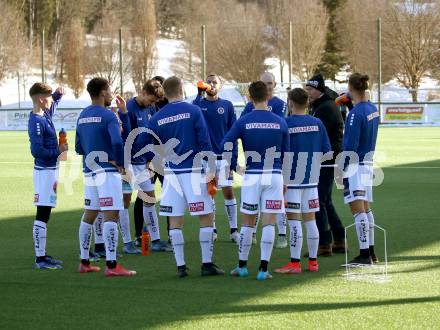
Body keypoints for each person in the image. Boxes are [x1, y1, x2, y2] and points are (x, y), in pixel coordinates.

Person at [147, 76, 225, 278]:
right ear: (182, 89)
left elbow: (151, 146)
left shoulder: (157, 118)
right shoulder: (194, 111)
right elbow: (204, 142)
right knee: (206, 217)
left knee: (175, 220)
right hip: (193, 172)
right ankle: (207, 264)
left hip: (172, 174)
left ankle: (181, 266)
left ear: (164, 92)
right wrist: (212, 169)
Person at [222, 81, 289, 281]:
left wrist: (234, 164)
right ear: (268, 96)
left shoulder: (244, 120)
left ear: (250, 98)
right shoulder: (280, 121)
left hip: (252, 175)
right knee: (269, 223)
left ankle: (242, 266)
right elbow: (287, 153)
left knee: (248, 223)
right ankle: (263, 269)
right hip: (275, 175)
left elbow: (225, 142)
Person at [75, 77, 135, 276]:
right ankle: (111, 265)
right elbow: (118, 142)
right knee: (112, 214)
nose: (111, 93)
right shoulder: (108, 115)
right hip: (107, 173)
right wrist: (119, 163)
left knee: (90, 214)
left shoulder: (82, 115)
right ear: (102, 93)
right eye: (109, 90)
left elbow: (78, 148)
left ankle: (84, 261)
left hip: (89, 171)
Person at [275, 88, 331, 274]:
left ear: (290, 102)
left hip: (291, 181)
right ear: (307, 103)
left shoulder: (284, 123)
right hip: (312, 180)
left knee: (294, 222)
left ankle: (295, 263)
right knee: (310, 221)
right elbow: (326, 151)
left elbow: (279, 153)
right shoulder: (317, 123)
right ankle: (313, 263)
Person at [241, 71, 288, 249]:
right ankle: (252, 233)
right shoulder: (249, 106)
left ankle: (282, 234)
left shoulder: (280, 105)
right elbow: (243, 125)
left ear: (274, 84)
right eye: (264, 83)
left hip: (275, 162)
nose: (267, 87)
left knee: (275, 202)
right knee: (254, 201)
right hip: (254, 161)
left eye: (270, 83)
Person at [126, 80, 172, 252]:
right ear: (143, 92)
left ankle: (156, 239)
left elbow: (152, 135)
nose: (152, 105)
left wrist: (151, 158)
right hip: (129, 163)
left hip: (145, 162)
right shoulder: (129, 109)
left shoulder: (151, 108)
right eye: (151, 100)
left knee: (150, 198)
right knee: (123, 202)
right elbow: (126, 140)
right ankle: (128, 243)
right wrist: (125, 164)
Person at [193, 73, 239, 243]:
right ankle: (212, 229)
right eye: (209, 81)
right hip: (206, 158)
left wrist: (233, 159)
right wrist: (199, 93)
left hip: (224, 157)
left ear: (221, 86)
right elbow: (193, 111)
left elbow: (234, 133)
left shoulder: (227, 105)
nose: (211, 84)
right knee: (209, 193)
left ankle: (234, 230)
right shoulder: (199, 105)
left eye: (215, 82)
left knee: (228, 191)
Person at [28, 83, 67, 270]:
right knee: (42, 212)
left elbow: (53, 105)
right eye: (49, 97)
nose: (51, 100)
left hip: (51, 171)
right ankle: (40, 259)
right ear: (42, 99)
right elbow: (37, 151)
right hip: (44, 172)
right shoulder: (36, 120)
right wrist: (57, 151)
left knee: (46, 212)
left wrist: (58, 95)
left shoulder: (45, 114)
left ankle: (42, 255)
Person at [305, 74, 345, 256]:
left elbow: (319, 136)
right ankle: (339, 238)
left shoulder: (325, 108)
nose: (308, 92)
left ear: (318, 90)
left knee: (319, 200)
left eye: (310, 89)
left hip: (326, 160)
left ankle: (324, 243)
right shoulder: (323, 105)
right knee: (325, 200)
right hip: (329, 158)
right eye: (307, 89)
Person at [343, 73, 379, 264]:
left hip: (355, 166)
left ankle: (365, 254)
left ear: (350, 88)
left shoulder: (355, 114)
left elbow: (350, 146)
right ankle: (370, 252)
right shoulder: (372, 108)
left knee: (358, 210)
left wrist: (342, 168)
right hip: (367, 163)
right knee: (366, 208)